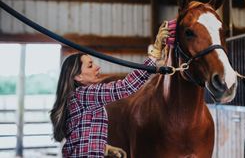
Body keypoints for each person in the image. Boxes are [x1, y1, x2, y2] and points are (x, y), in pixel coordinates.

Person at [50, 22, 170, 157]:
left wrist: (104, 148)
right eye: (90, 66)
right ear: (78, 76)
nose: (97, 67)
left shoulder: (75, 98)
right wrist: (154, 54)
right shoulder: (85, 94)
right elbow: (126, 86)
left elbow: (82, 133)